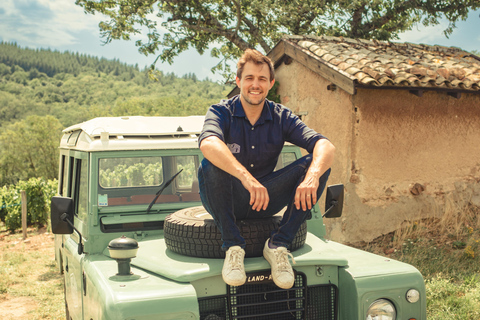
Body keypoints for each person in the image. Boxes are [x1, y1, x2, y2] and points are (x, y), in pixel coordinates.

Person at [198, 49, 335, 289]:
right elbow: (208, 143)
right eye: (249, 78)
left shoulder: (281, 116)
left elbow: (325, 145)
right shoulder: (221, 111)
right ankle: (233, 247)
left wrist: (312, 177)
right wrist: (246, 178)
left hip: (266, 198)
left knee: (318, 165)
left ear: (270, 84)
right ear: (238, 81)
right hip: (227, 198)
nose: (255, 84)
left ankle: (278, 245)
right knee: (211, 163)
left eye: (262, 79)